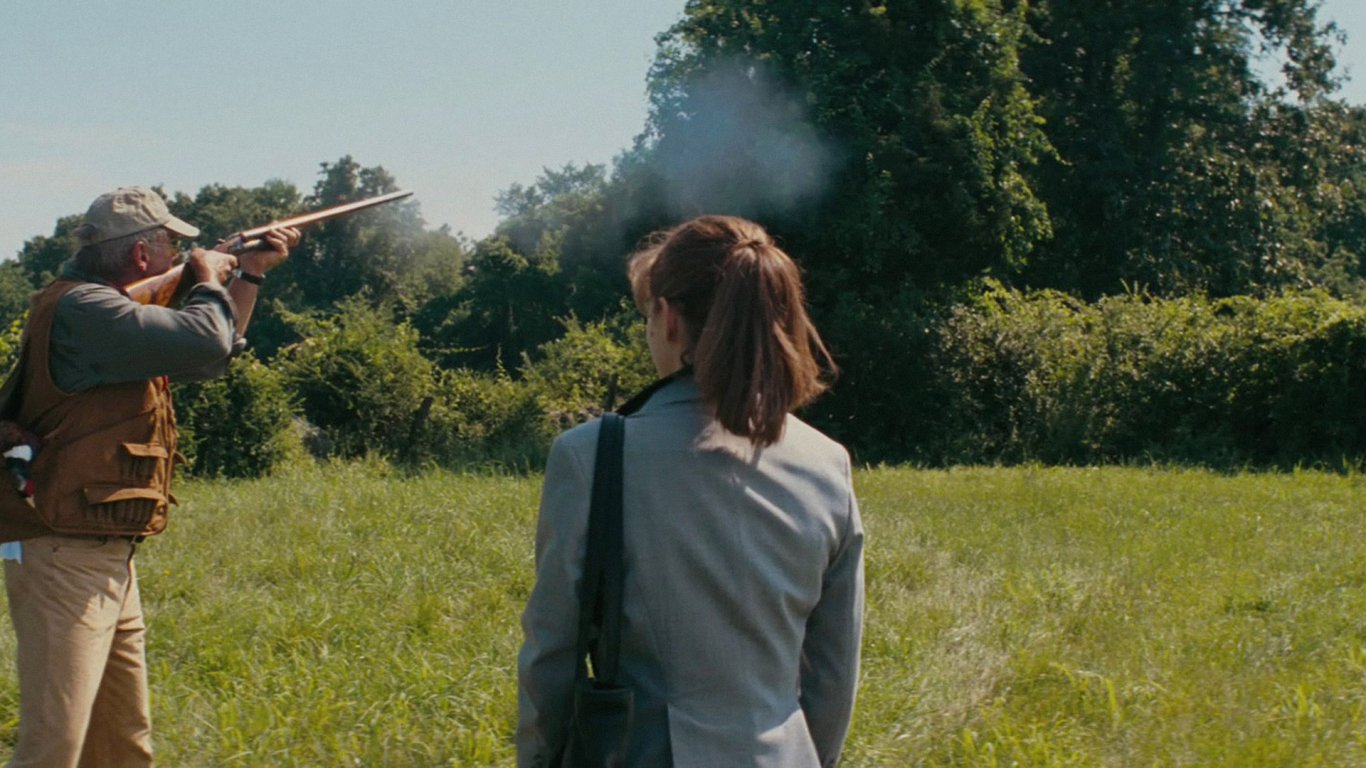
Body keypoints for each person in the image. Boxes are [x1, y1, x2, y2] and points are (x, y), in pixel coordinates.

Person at [517, 215, 865, 767]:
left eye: (648, 317)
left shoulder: (590, 455)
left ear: (670, 318)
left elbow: (551, 655)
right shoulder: (829, 464)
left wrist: (538, 760)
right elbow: (834, 674)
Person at [0, 186, 298, 767]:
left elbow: (211, 354)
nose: (177, 255)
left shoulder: (108, 312)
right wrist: (208, 274)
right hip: (63, 554)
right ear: (141, 256)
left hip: (104, 550)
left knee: (123, 746)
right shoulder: (88, 310)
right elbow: (204, 338)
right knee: (53, 746)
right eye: (170, 245)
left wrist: (249, 274)